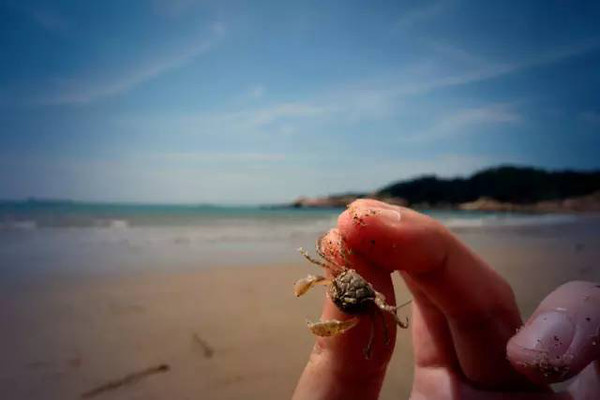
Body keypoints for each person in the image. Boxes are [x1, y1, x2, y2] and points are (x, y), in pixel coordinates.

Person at [292, 199, 599, 399]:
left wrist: (388, 322)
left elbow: (382, 324)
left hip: (366, 299)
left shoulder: (370, 303)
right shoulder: (344, 274)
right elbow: (324, 259)